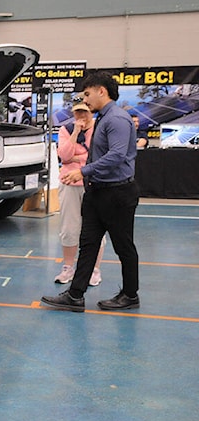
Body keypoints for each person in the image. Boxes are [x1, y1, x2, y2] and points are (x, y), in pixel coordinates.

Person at [41, 71, 140, 312]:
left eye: (87, 94)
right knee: (88, 243)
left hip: (116, 193)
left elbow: (116, 155)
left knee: (123, 245)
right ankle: (75, 295)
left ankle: (130, 294)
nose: (85, 100)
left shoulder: (116, 119)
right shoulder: (105, 118)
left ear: (101, 91)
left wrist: (83, 171)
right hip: (98, 192)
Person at [53, 100, 105, 287]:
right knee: (69, 228)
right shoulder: (66, 129)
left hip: (93, 182)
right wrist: (75, 133)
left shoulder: (100, 128)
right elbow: (64, 155)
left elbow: (98, 157)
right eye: (78, 112)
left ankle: (94, 270)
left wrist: (78, 159)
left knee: (96, 227)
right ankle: (68, 268)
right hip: (69, 184)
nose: (81, 116)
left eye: (85, 111)